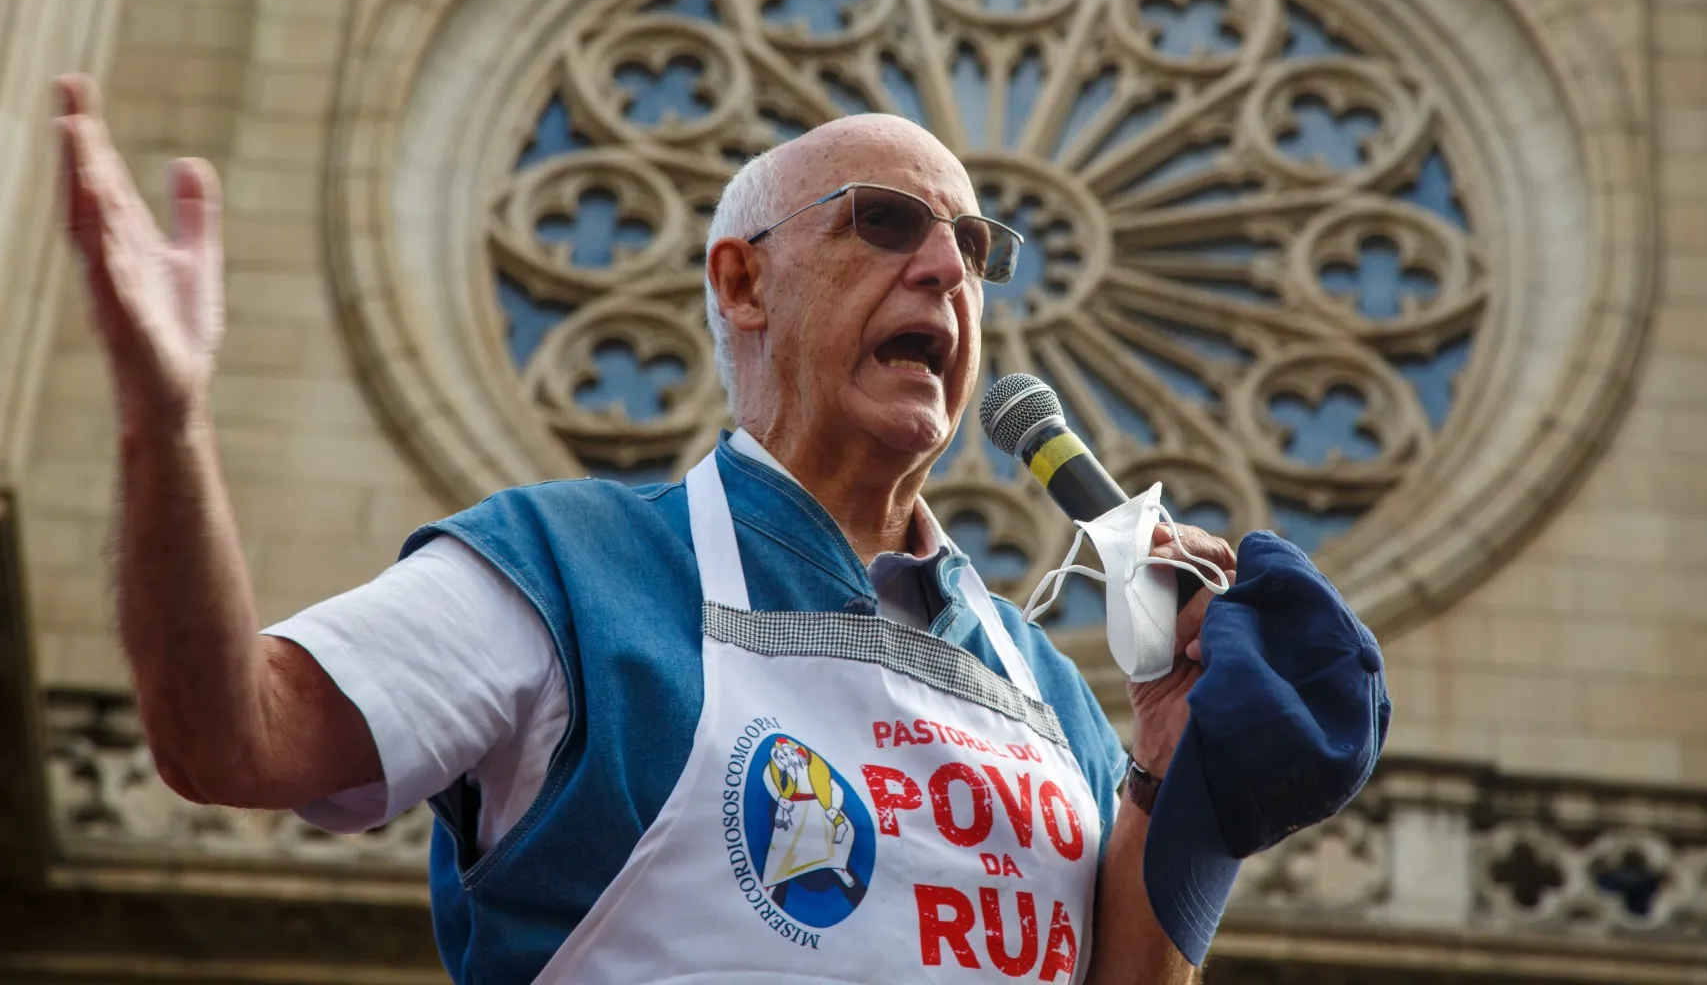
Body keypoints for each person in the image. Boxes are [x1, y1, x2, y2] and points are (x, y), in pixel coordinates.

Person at [51, 71, 1388, 983]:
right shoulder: (569, 575)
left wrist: (1177, 783)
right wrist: (164, 425)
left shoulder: (1052, 695)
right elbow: (233, 738)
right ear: (741, 281)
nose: (945, 269)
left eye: (974, 249)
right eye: (887, 224)